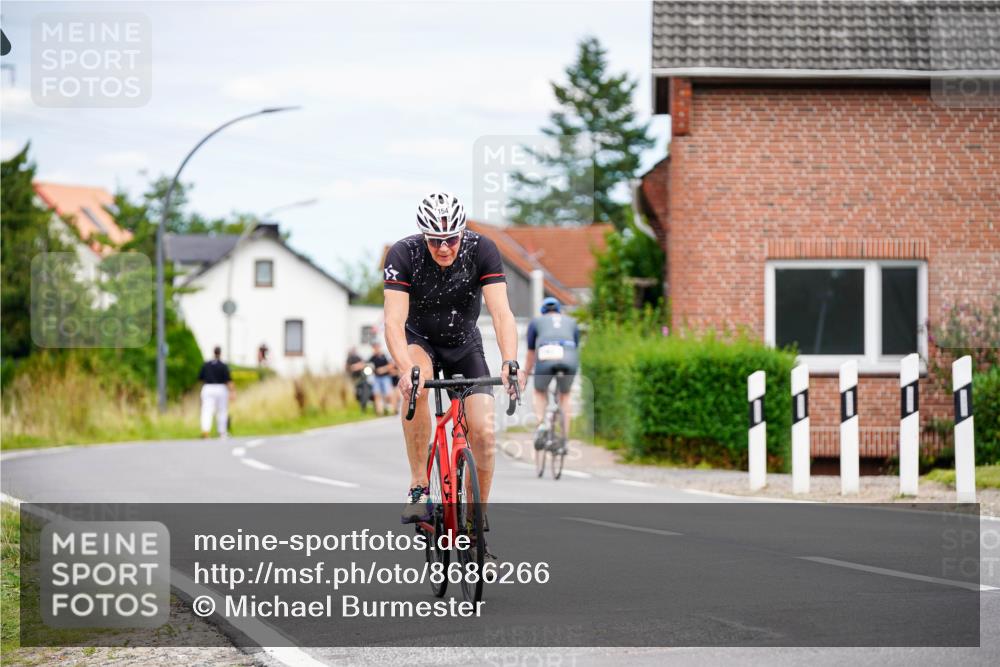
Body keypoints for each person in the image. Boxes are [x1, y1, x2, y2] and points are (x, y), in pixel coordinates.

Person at [383, 191, 525, 527]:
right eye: (435, 241)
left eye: (450, 239)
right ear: (424, 236)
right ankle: (419, 487)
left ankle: (477, 524)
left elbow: (503, 314)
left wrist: (509, 361)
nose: (444, 248)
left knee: (484, 434)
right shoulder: (404, 253)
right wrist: (405, 369)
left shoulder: (482, 249)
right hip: (420, 340)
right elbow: (392, 321)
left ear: (462, 232)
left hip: (464, 344)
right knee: (417, 382)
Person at [524, 297, 580, 454]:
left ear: (543, 311)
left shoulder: (536, 322)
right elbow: (576, 346)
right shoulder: (572, 322)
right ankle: (565, 439)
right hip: (569, 356)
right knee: (565, 395)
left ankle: (541, 423)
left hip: (546, 354)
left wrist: (526, 374)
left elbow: (530, 353)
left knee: (539, 391)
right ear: (559, 311)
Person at [198, 346, 235, 439]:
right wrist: (232, 392)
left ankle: (205, 432)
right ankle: (222, 432)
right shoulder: (223, 365)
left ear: (213, 353)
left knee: (206, 410)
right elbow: (228, 380)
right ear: (220, 353)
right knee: (222, 410)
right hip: (221, 388)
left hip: (208, 387)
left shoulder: (206, 364)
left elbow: (200, 378)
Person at [369, 341, 396, 416]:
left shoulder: (385, 356)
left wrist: (383, 369)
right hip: (376, 378)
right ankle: (379, 412)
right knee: (377, 394)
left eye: (376, 347)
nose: (375, 349)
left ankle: (391, 409)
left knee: (388, 395)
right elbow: (369, 366)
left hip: (385, 377)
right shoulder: (372, 358)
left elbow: (391, 365)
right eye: (374, 347)